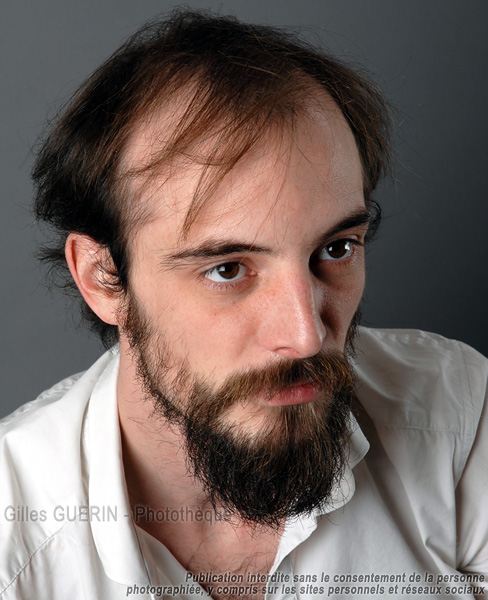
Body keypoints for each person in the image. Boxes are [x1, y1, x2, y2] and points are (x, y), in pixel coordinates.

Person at [1, 9, 486, 600]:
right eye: (227, 269)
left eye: (336, 248)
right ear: (104, 278)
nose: (307, 336)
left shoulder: (458, 417)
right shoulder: (15, 547)